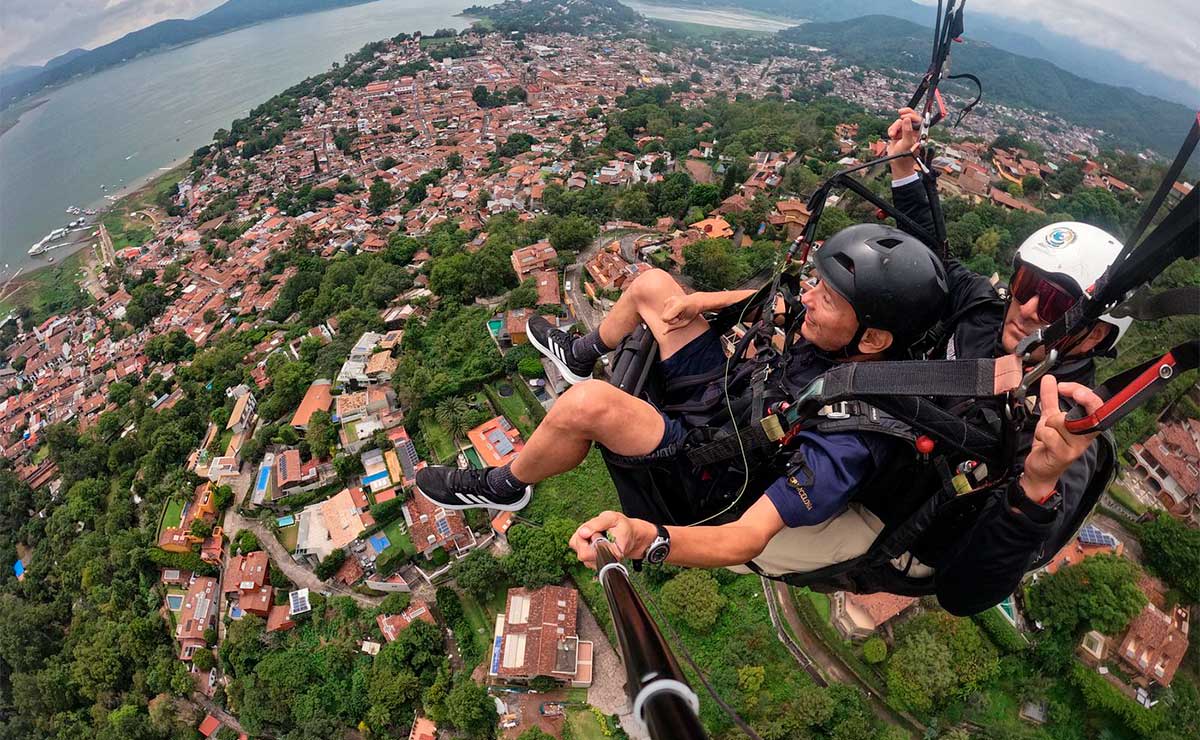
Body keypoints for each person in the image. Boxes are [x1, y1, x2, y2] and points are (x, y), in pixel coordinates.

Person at [568, 110, 1121, 615]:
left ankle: (669, 523)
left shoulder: (1070, 436)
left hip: (894, 518)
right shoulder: (983, 312)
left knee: (734, 529)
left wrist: (1036, 487)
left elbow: (965, 592)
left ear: (1095, 333)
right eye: (1025, 284)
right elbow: (930, 266)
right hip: (871, 429)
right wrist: (906, 169)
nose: (1025, 308)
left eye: (1053, 303)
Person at [416, 223, 950, 569]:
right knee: (651, 285)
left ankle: (505, 484)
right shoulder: (839, 337)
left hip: (710, 461)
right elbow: (774, 301)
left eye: (826, 298)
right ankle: (579, 352)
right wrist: (700, 300)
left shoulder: (851, 438)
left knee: (587, 405)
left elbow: (746, 538)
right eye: (815, 285)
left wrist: (652, 537)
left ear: (874, 338)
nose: (808, 298)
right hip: (731, 395)